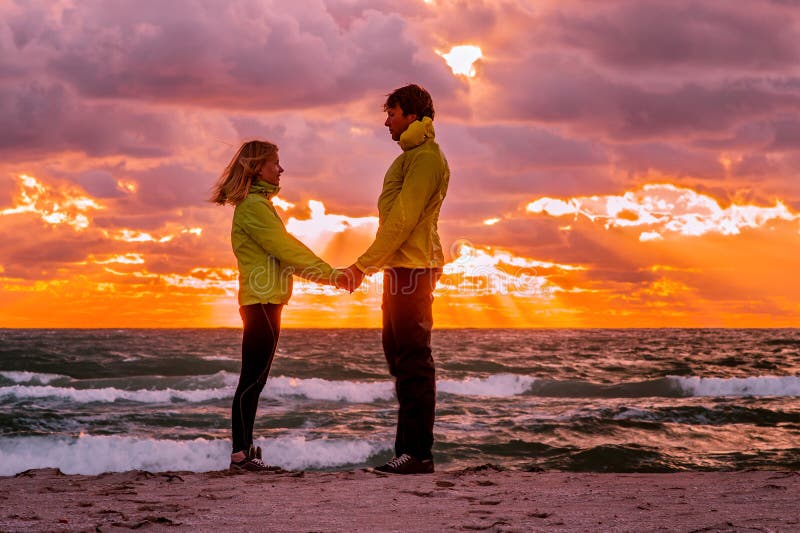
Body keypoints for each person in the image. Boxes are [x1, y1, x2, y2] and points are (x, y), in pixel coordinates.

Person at [212, 140, 350, 472]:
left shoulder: (259, 205)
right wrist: (332, 276)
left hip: (267, 302)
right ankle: (240, 455)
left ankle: (244, 451)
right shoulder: (253, 208)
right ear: (257, 167)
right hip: (261, 303)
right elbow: (287, 250)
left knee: (255, 381)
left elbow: (285, 254)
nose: (281, 168)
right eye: (275, 162)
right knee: (251, 381)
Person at [342, 84, 450, 474]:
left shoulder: (424, 158)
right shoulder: (410, 157)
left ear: (411, 115)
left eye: (391, 113)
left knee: (413, 361)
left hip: (414, 270)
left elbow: (402, 220)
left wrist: (361, 266)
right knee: (397, 355)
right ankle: (408, 451)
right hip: (399, 269)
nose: (386, 121)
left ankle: (417, 454)